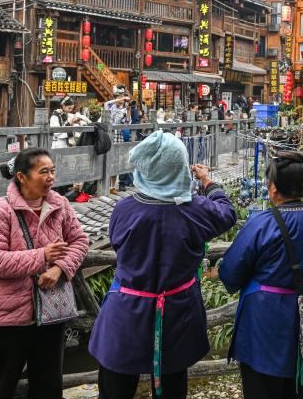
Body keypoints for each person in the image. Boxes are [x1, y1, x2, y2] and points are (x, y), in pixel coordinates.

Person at [88, 130, 237, 399]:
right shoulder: (195, 210)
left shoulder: (124, 210)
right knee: (173, 380)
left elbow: (118, 245)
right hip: (176, 312)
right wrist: (207, 182)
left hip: (126, 310)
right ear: (179, 167)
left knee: (115, 383)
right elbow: (227, 214)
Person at [219, 152, 303, 399]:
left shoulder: (262, 223)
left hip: (265, 324)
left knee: (262, 388)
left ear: (272, 188)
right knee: (301, 387)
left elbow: (230, 273)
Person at [0, 147, 89, 399]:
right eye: (43, 172)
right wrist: (42, 256)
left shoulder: (59, 204)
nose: (51, 177)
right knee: (0, 387)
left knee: (48, 386)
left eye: (53, 171)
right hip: (9, 315)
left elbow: (80, 241)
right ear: (22, 177)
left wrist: (60, 268)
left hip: (50, 314)